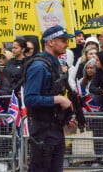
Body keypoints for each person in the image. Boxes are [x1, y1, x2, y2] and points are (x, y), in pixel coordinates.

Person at [23, 25, 76, 172]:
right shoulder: (39, 66)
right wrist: (58, 100)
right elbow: (30, 99)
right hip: (43, 132)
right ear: (50, 42)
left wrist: (66, 117)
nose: (67, 44)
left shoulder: (55, 64)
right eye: (63, 40)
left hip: (56, 129)